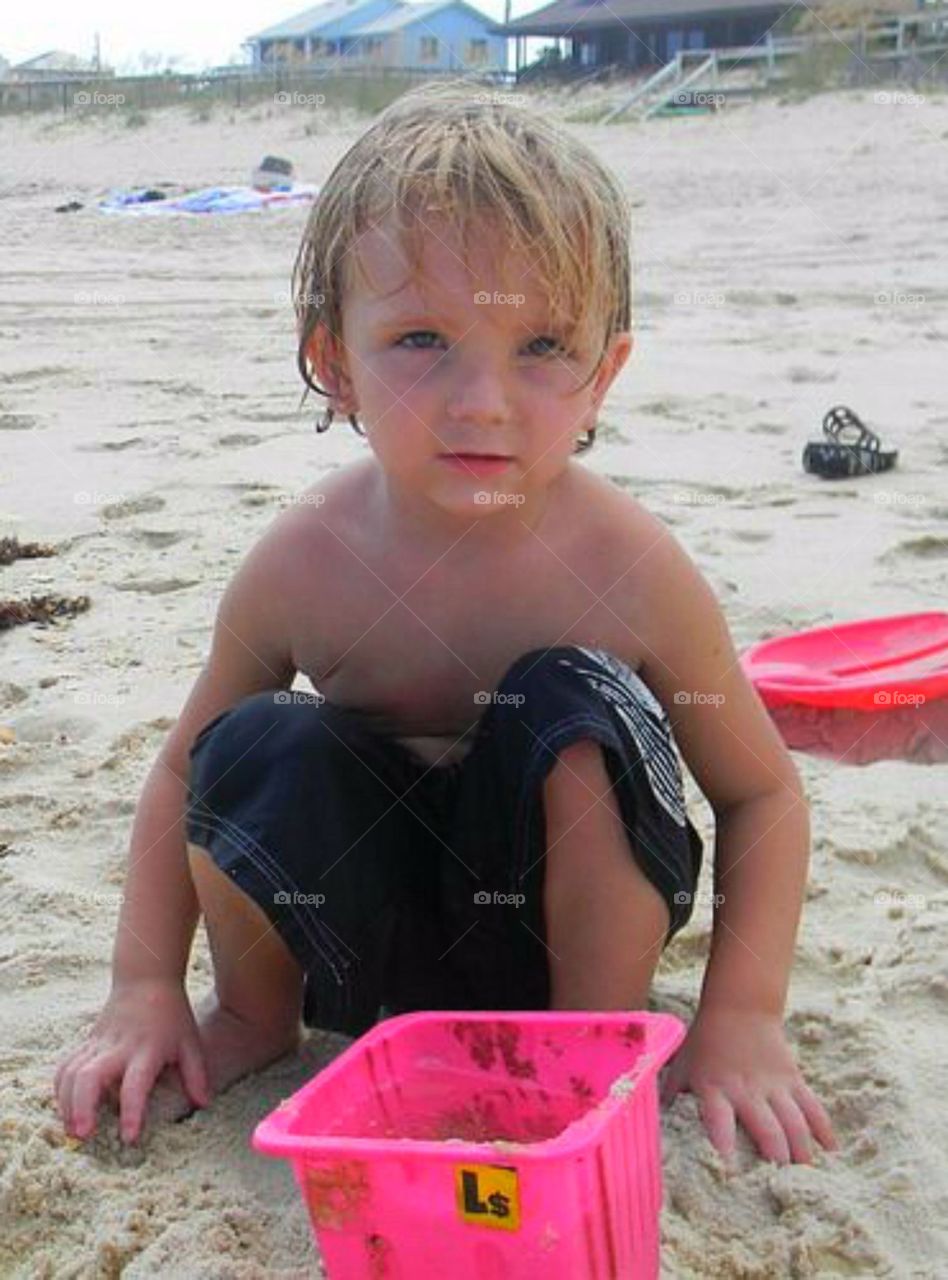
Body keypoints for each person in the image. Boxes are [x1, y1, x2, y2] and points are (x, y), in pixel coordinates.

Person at [54, 89, 838, 1168]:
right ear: (335, 360)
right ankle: (251, 1015)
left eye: (542, 345)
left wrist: (743, 1014)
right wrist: (143, 986)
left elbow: (762, 790)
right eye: (423, 339)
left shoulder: (632, 568)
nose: (483, 400)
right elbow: (184, 779)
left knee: (568, 699)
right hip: (364, 960)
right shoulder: (303, 563)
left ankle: (582, 1047)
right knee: (251, 739)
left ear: (604, 374)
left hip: (566, 949)